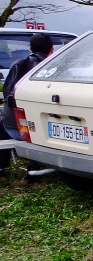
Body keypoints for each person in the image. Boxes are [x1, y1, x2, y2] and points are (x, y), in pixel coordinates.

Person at [0, 33, 54, 175]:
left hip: (15, 129)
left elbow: (8, 96)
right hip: (47, 133)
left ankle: (1, 166)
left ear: (30, 48)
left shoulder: (18, 65)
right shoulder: (56, 70)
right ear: (52, 50)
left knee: (3, 124)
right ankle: (33, 165)